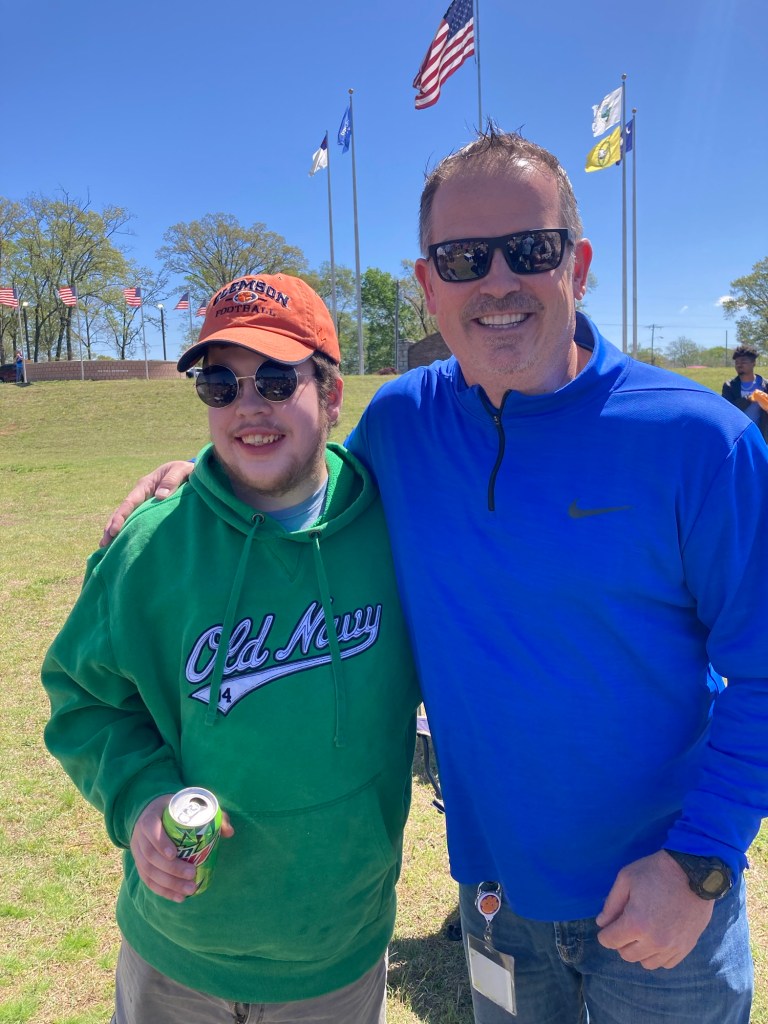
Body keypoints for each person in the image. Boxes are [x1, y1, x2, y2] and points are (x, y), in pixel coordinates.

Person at [102, 129, 768, 1024]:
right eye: (463, 259)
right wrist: (203, 479)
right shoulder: (403, 424)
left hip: (665, 899)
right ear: (427, 284)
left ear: (578, 266)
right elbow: (300, 476)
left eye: (530, 249)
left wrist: (700, 864)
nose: (497, 281)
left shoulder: (701, 441)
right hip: (495, 900)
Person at [42, 273, 420, 1024]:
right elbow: (85, 701)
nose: (249, 406)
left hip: (335, 952)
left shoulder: (400, 530)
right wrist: (140, 798)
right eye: (220, 384)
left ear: (332, 395)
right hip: (177, 951)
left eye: (277, 380)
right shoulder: (150, 546)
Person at [721, 344, 768, 441]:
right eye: (737, 362)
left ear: (753, 363)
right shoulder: (729, 386)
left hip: (761, 437)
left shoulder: (765, 385)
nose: (739, 365)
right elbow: (728, 412)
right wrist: (749, 398)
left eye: (743, 362)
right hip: (738, 437)